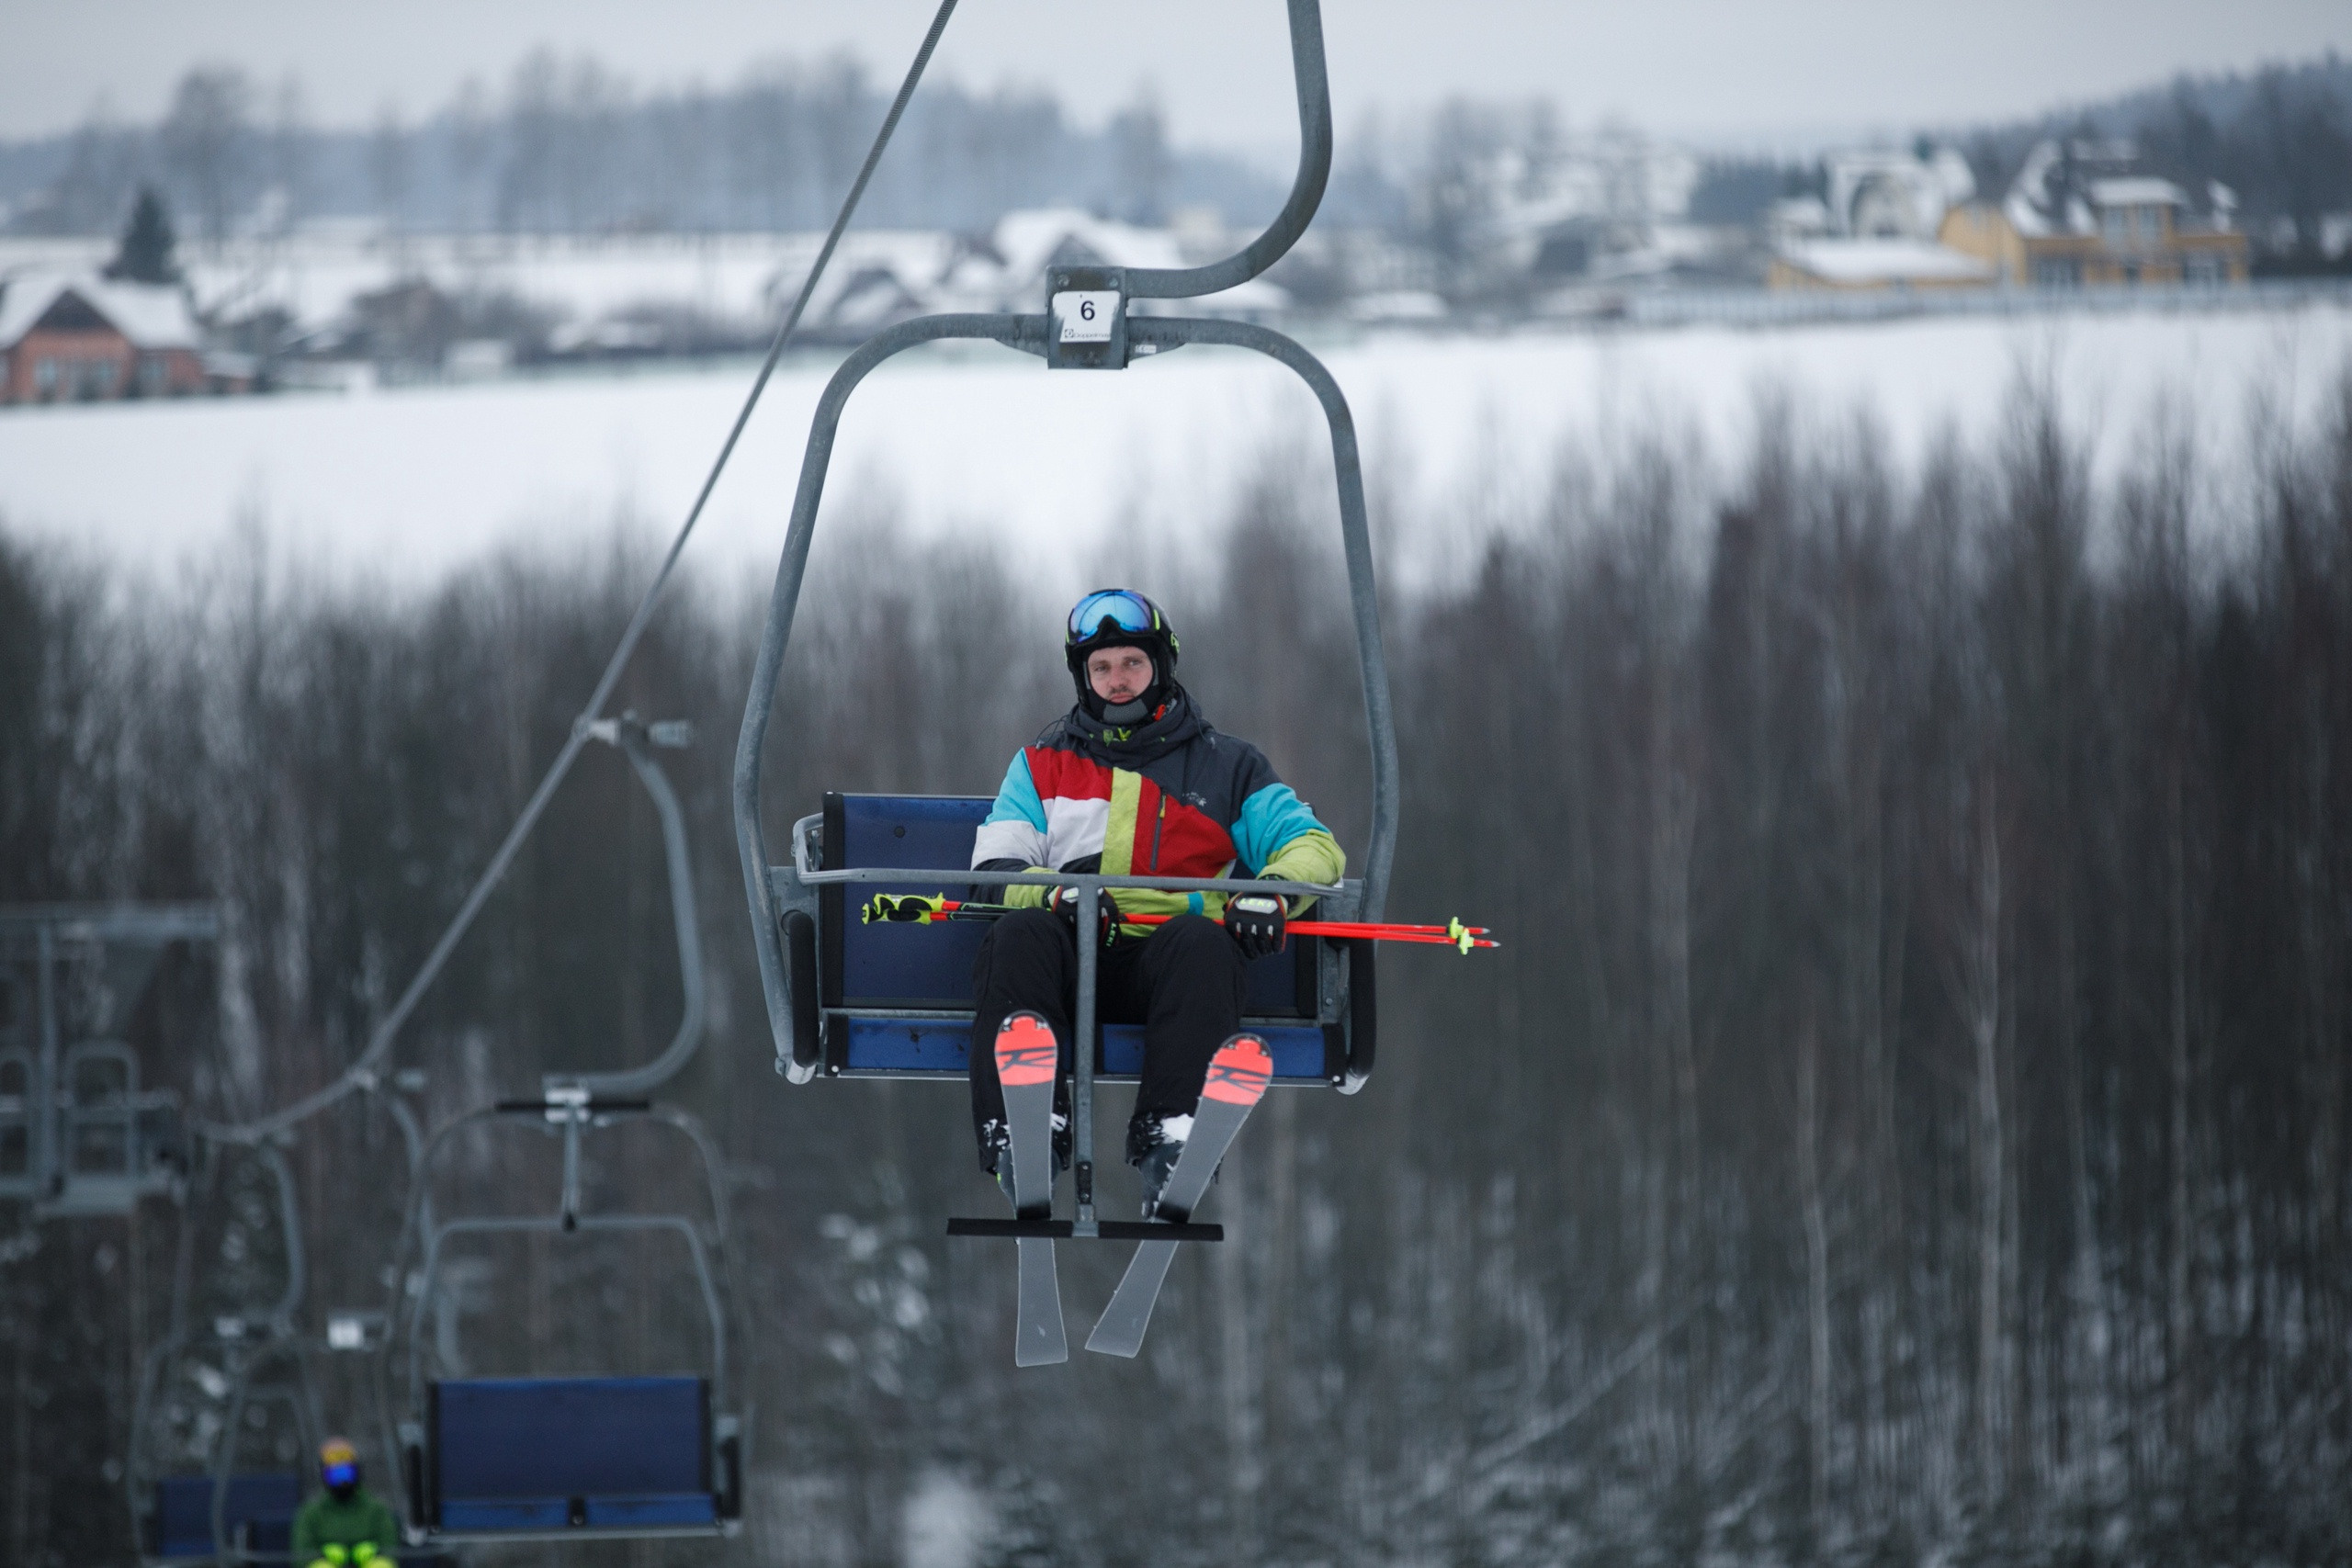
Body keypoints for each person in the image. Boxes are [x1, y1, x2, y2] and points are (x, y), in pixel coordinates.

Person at [969, 589, 1345, 1212]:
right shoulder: (1042, 766)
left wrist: (1271, 897)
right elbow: (995, 866)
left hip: (1167, 969)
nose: (1118, 681)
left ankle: (1172, 1137)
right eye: (1101, 668)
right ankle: (1025, 1130)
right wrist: (1056, 893)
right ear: (1082, 677)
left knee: (1203, 944)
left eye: (1132, 664)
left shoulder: (1227, 768)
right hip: (1068, 959)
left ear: (1161, 666)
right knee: (1018, 935)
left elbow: (1311, 845)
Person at [291, 1438, 401, 1568]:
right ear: (324, 1475)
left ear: (357, 1472)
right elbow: (301, 1555)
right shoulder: (311, 1514)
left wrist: (375, 1553)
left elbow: (391, 1549)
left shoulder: (377, 1510)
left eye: (346, 1473)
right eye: (336, 1475)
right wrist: (322, 1556)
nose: (342, 1482)